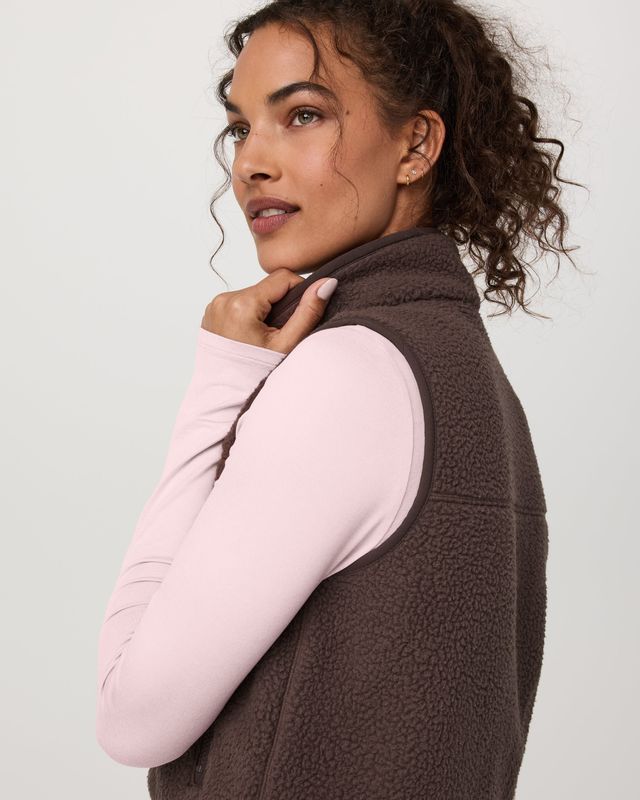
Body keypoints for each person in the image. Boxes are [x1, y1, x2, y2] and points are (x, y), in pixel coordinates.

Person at [96, 1, 584, 797]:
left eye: (302, 115)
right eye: (241, 127)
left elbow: (132, 718)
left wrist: (220, 383)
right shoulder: (468, 376)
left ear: (415, 145)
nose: (251, 163)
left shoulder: (347, 376)